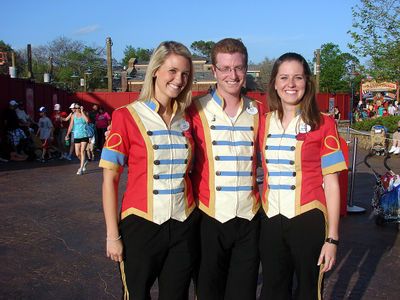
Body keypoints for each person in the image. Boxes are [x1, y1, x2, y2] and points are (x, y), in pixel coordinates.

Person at [100, 41, 199, 300]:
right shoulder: (125, 116)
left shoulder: (189, 119)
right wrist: (113, 235)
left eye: (185, 74)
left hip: (183, 223)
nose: (179, 80)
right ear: (155, 70)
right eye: (173, 71)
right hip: (140, 223)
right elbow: (110, 180)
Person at [258, 52, 347, 299]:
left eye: (298, 77)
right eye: (284, 77)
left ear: (307, 82)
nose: (291, 84)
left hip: (308, 219)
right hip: (271, 220)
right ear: (274, 83)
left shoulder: (324, 123)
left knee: (308, 291)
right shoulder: (263, 122)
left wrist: (333, 239)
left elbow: (331, 183)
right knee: (273, 290)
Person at [187, 38, 260, 300]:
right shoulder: (194, 110)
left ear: (246, 69)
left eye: (239, 68)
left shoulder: (258, 111)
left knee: (243, 293)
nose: (233, 75)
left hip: (249, 218)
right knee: (208, 292)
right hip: (209, 217)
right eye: (226, 68)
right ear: (214, 71)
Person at [65, 104, 89, 175]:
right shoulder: (73, 115)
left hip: (84, 135)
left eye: (77, 107)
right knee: (77, 153)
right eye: (75, 108)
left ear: (80, 107)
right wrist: (67, 135)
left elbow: (87, 120)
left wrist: (82, 112)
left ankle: (81, 168)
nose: (75, 109)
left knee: (82, 151)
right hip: (77, 136)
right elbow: (71, 126)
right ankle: (84, 161)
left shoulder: (84, 113)